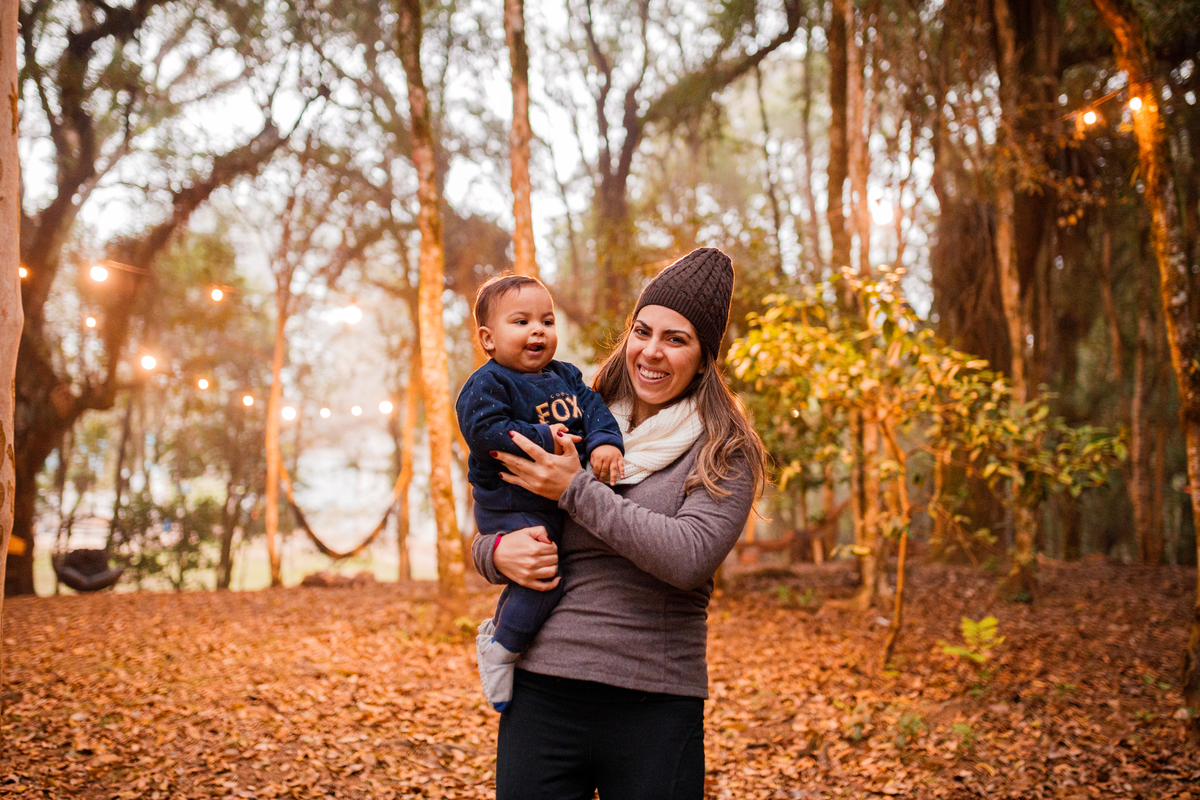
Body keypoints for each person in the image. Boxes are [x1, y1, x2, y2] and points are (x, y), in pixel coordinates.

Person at [471, 247, 767, 800]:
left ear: (705, 358)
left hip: (654, 704)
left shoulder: (724, 450)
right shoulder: (573, 413)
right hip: (544, 694)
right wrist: (493, 555)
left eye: (676, 339)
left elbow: (687, 557)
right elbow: (499, 509)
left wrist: (574, 489)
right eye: (642, 331)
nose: (651, 352)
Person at [456, 274, 625, 711]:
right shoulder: (487, 384)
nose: (538, 330)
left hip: (551, 501)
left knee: (551, 563)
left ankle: (507, 635)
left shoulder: (565, 376)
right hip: (508, 500)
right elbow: (483, 431)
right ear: (488, 339)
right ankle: (501, 646)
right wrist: (543, 436)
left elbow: (594, 409)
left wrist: (606, 441)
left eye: (546, 321)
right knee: (544, 576)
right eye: (521, 321)